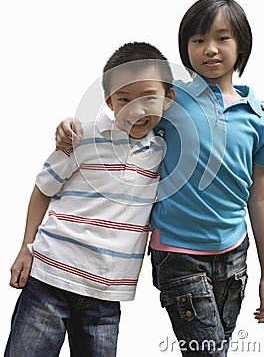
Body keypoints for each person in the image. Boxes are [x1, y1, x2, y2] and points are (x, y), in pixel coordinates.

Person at [55, 0, 264, 357]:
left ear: (242, 45)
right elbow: (120, 116)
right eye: (197, 40)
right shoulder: (171, 101)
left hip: (234, 256)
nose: (210, 49)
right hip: (177, 253)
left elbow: (261, 196)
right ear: (185, 47)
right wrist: (71, 126)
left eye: (222, 38)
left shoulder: (259, 118)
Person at [5, 42, 175, 357]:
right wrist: (25, 249)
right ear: (109, 101)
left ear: (168, 99)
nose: (135, 110)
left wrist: (256, 108)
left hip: (106, 292)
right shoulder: (82, 136)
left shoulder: (165, 153)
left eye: (148, 98)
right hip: (49, 275)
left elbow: (211, 114)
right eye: (124, 99)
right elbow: (43, 187)